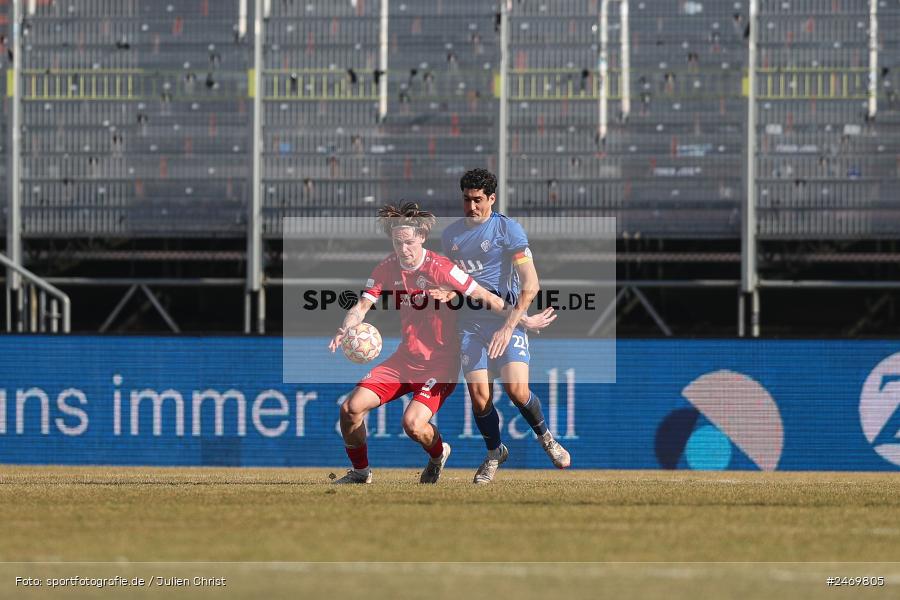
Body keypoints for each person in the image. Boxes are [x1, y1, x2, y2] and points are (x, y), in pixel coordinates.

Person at [328, 202, 554, 484]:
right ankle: (361, 472)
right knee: (350, 409)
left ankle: (438, 454)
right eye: (398, 242)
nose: (404, 249)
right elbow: (361, 307)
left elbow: (487, 297)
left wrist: (523, 321)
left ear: (422, 237)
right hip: (404, 360)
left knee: (412, 424)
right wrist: (346, 328)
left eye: (409, 242)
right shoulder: (387, 267)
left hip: (440, 365)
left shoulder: (442, 269)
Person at [433, 168, 570, 484]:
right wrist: (447, 292)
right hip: (469, 324)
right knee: (480, 397)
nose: (471, 206)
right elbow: (459, 282)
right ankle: (495, 452)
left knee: (516, 390)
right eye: (466, 199)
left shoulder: (508, 230)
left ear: (491, 198)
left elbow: (531, 284)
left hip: (506, 320)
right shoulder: (451, 235)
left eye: (478, 200)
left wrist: (511, 325)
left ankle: (547, 439)